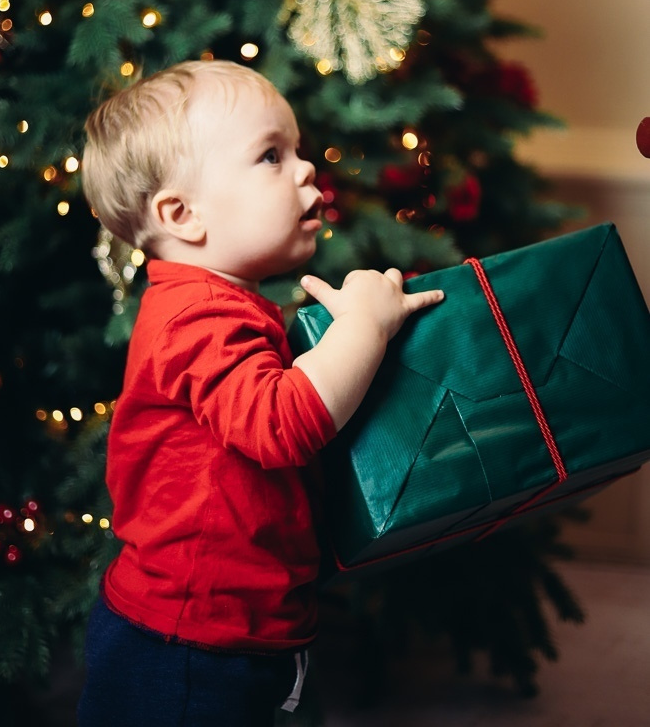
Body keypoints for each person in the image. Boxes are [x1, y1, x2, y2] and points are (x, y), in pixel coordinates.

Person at [77, 59, 444, 727]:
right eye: (270, 156)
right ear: (182, 214)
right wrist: (363, 325)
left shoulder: (220, 304)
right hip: (186, 643)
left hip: (238, 625)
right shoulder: (196, 317)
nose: (305, 169)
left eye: (298, 150)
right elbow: (283, 422)